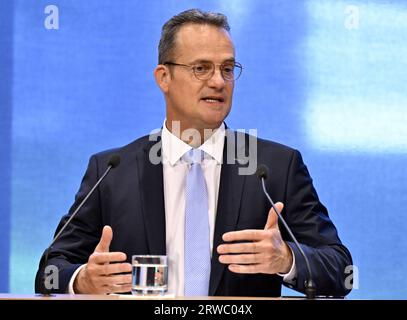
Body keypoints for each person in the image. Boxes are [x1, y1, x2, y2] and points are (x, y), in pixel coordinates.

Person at [35, 9, 352, 297]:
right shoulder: (112, 170)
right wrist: (82, 279)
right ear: (164, 77)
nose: (218, 81)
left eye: (227, 69)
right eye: (201, 68)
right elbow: (48, 272)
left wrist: (286, 258)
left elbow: (341, 272)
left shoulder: (274, 168)